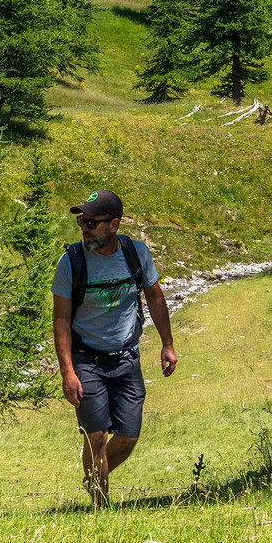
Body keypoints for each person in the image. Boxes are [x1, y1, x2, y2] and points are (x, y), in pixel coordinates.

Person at [52, 188, 176, 507]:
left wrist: (167, 344)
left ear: (114, 225)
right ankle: (101, 507)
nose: (84, 228)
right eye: (82, 221)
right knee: (96, 437)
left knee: (129, 437)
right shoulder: (71, 262)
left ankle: (94, 473)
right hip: (86, 358)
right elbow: (61, 320)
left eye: (92, 222)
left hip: (126, 357)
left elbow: (155, 298)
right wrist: (67, 372)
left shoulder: (136, 254)